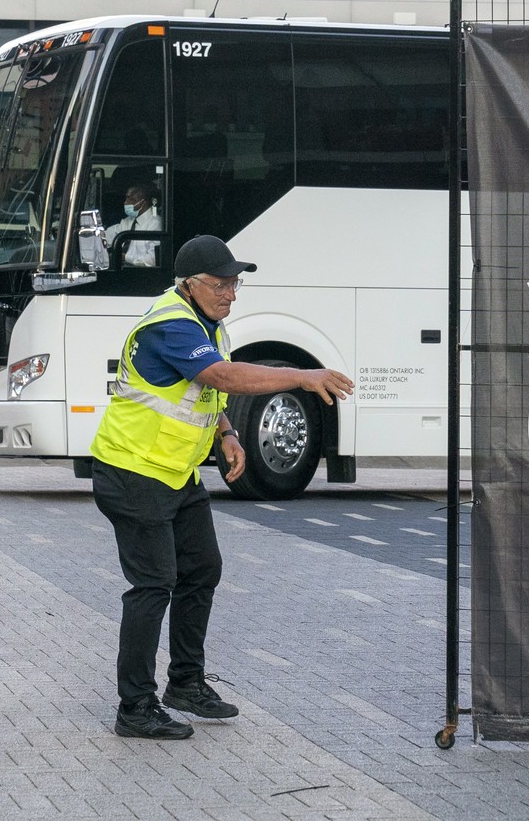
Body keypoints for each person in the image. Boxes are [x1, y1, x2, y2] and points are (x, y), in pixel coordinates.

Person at [90, 235, 355, 739]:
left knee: (203, 569)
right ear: (189, 284)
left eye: (235, 284)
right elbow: (221, 377)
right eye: (221, 284)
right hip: (132, 470)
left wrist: (228, 433)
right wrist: (299, 376)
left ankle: (185, 684)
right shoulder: (169, 323)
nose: (231, 293)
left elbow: (198, 389)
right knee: (154, 584)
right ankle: (135, 708)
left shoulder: (209, 324)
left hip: (175, 473)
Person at [100, 184, 162, 268]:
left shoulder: (156, 224)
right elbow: (109, 235)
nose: (126, 202)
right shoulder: (128, 221)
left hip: (142, 274)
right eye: (126, 198)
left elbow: (152, 260)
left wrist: (125, 257)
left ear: (143, 203)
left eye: (132, 199)